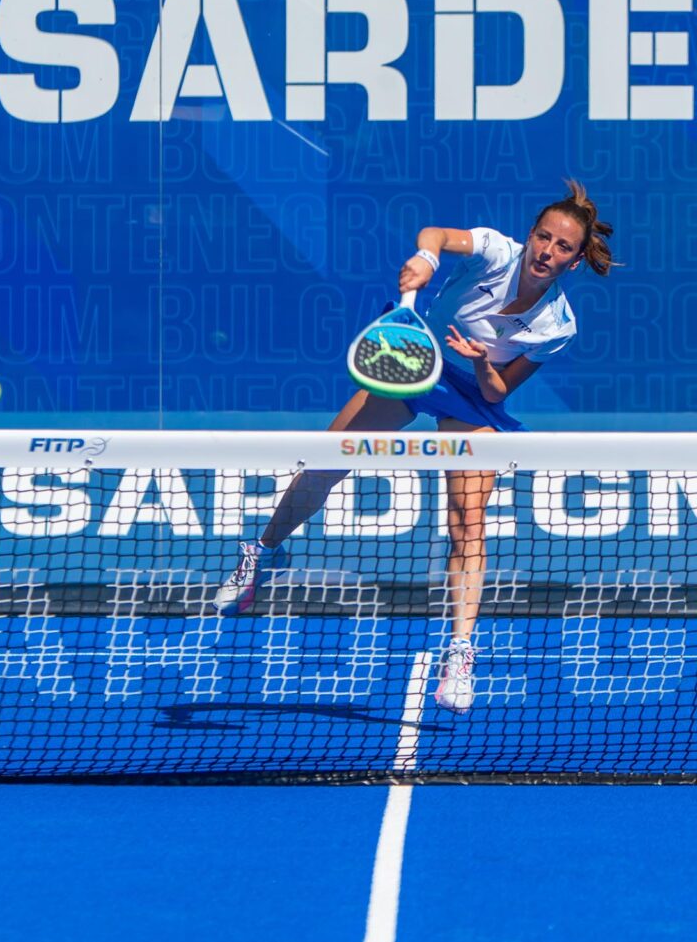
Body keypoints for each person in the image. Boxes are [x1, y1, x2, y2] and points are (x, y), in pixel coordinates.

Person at [213, 181, 616, 713]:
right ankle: (262, 553)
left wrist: (481, 362)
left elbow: (498, 391)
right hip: (415, 362)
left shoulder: (556, 324)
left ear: (575, 260)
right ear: (530, 235)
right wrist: (426, 259)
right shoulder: (496, 251)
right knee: (326, 463)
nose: (547, 251)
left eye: (563, 247)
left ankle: (460, 652)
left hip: (473, 395)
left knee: (467, 521)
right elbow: (436, 235)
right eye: (543, 237)